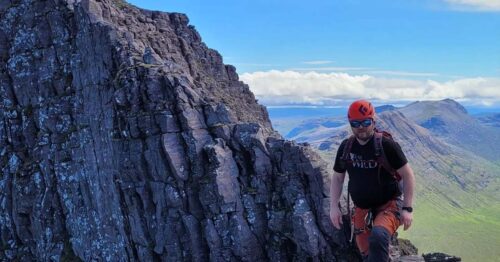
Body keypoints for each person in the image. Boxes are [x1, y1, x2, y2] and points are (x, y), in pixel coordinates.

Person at [329, 99, 415, 262]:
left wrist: (407, 209)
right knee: (367, 253)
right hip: (361, 208)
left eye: (366, 122)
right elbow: (338, 178)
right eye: (355, 123)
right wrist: (334, 207)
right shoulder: (346, 147)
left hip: (389, 204)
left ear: (373, 121)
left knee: (378, 236)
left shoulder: (386, 145)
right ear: (350, 124)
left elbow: (408, 175)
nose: (361, 127)